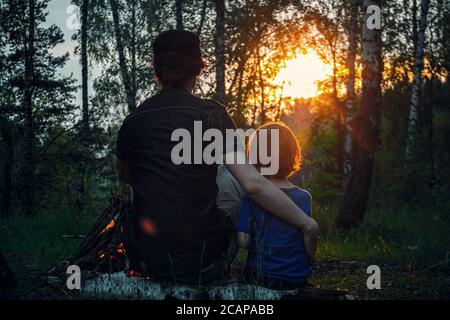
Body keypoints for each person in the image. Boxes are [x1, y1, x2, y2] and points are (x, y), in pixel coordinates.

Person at [115, 30, 318, 285]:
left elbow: (125, 179)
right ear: (198, 69)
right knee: (231, 175)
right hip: (201, 262)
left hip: (146, 260)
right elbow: (253, 185)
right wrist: (307, 224)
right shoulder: (211, 115)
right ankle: (275, 264)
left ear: (157, 69)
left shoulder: (132, 122)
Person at [236, 122, 313, 290]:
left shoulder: (251, 197)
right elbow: (308, 240)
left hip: (259, 276)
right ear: (293, 154)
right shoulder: (304, 198)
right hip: (295, 277)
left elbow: (243, 241)